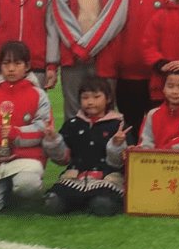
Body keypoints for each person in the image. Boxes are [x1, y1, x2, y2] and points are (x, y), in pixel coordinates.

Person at [0, 41, 51, 213]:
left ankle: (20, 190)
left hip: (26, 159)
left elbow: (43, 127)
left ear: (27, 66)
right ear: (0, 66)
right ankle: (4, 189)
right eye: (6, 64)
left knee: (26, 186)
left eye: (17, 63)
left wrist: (17, 134)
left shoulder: (38, 94)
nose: (11, 69)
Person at [43, 75, 130, 216]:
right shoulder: (72, 124)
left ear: (108, 98)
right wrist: (53, 140)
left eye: (96, 97)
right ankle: (79, 199)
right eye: (85, 98)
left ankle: (86, 201)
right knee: (53, 204)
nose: (90, 102)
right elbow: (62, 159)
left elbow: (118, 163)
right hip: (75, 176)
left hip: (105, 177)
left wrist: (117, 144)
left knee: (102, 205)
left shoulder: (118, 125)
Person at [114, 0, 170, 138]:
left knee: (156, 129)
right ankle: (127, 168)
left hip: (156, 75)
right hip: (126, 76)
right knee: (130, 128)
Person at [133, 70, 179, 150]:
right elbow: (145, 142)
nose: (175, 92)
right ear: (163, 89)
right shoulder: (152, 114)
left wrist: (166, 149)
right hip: (155, 160)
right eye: (170, 86)